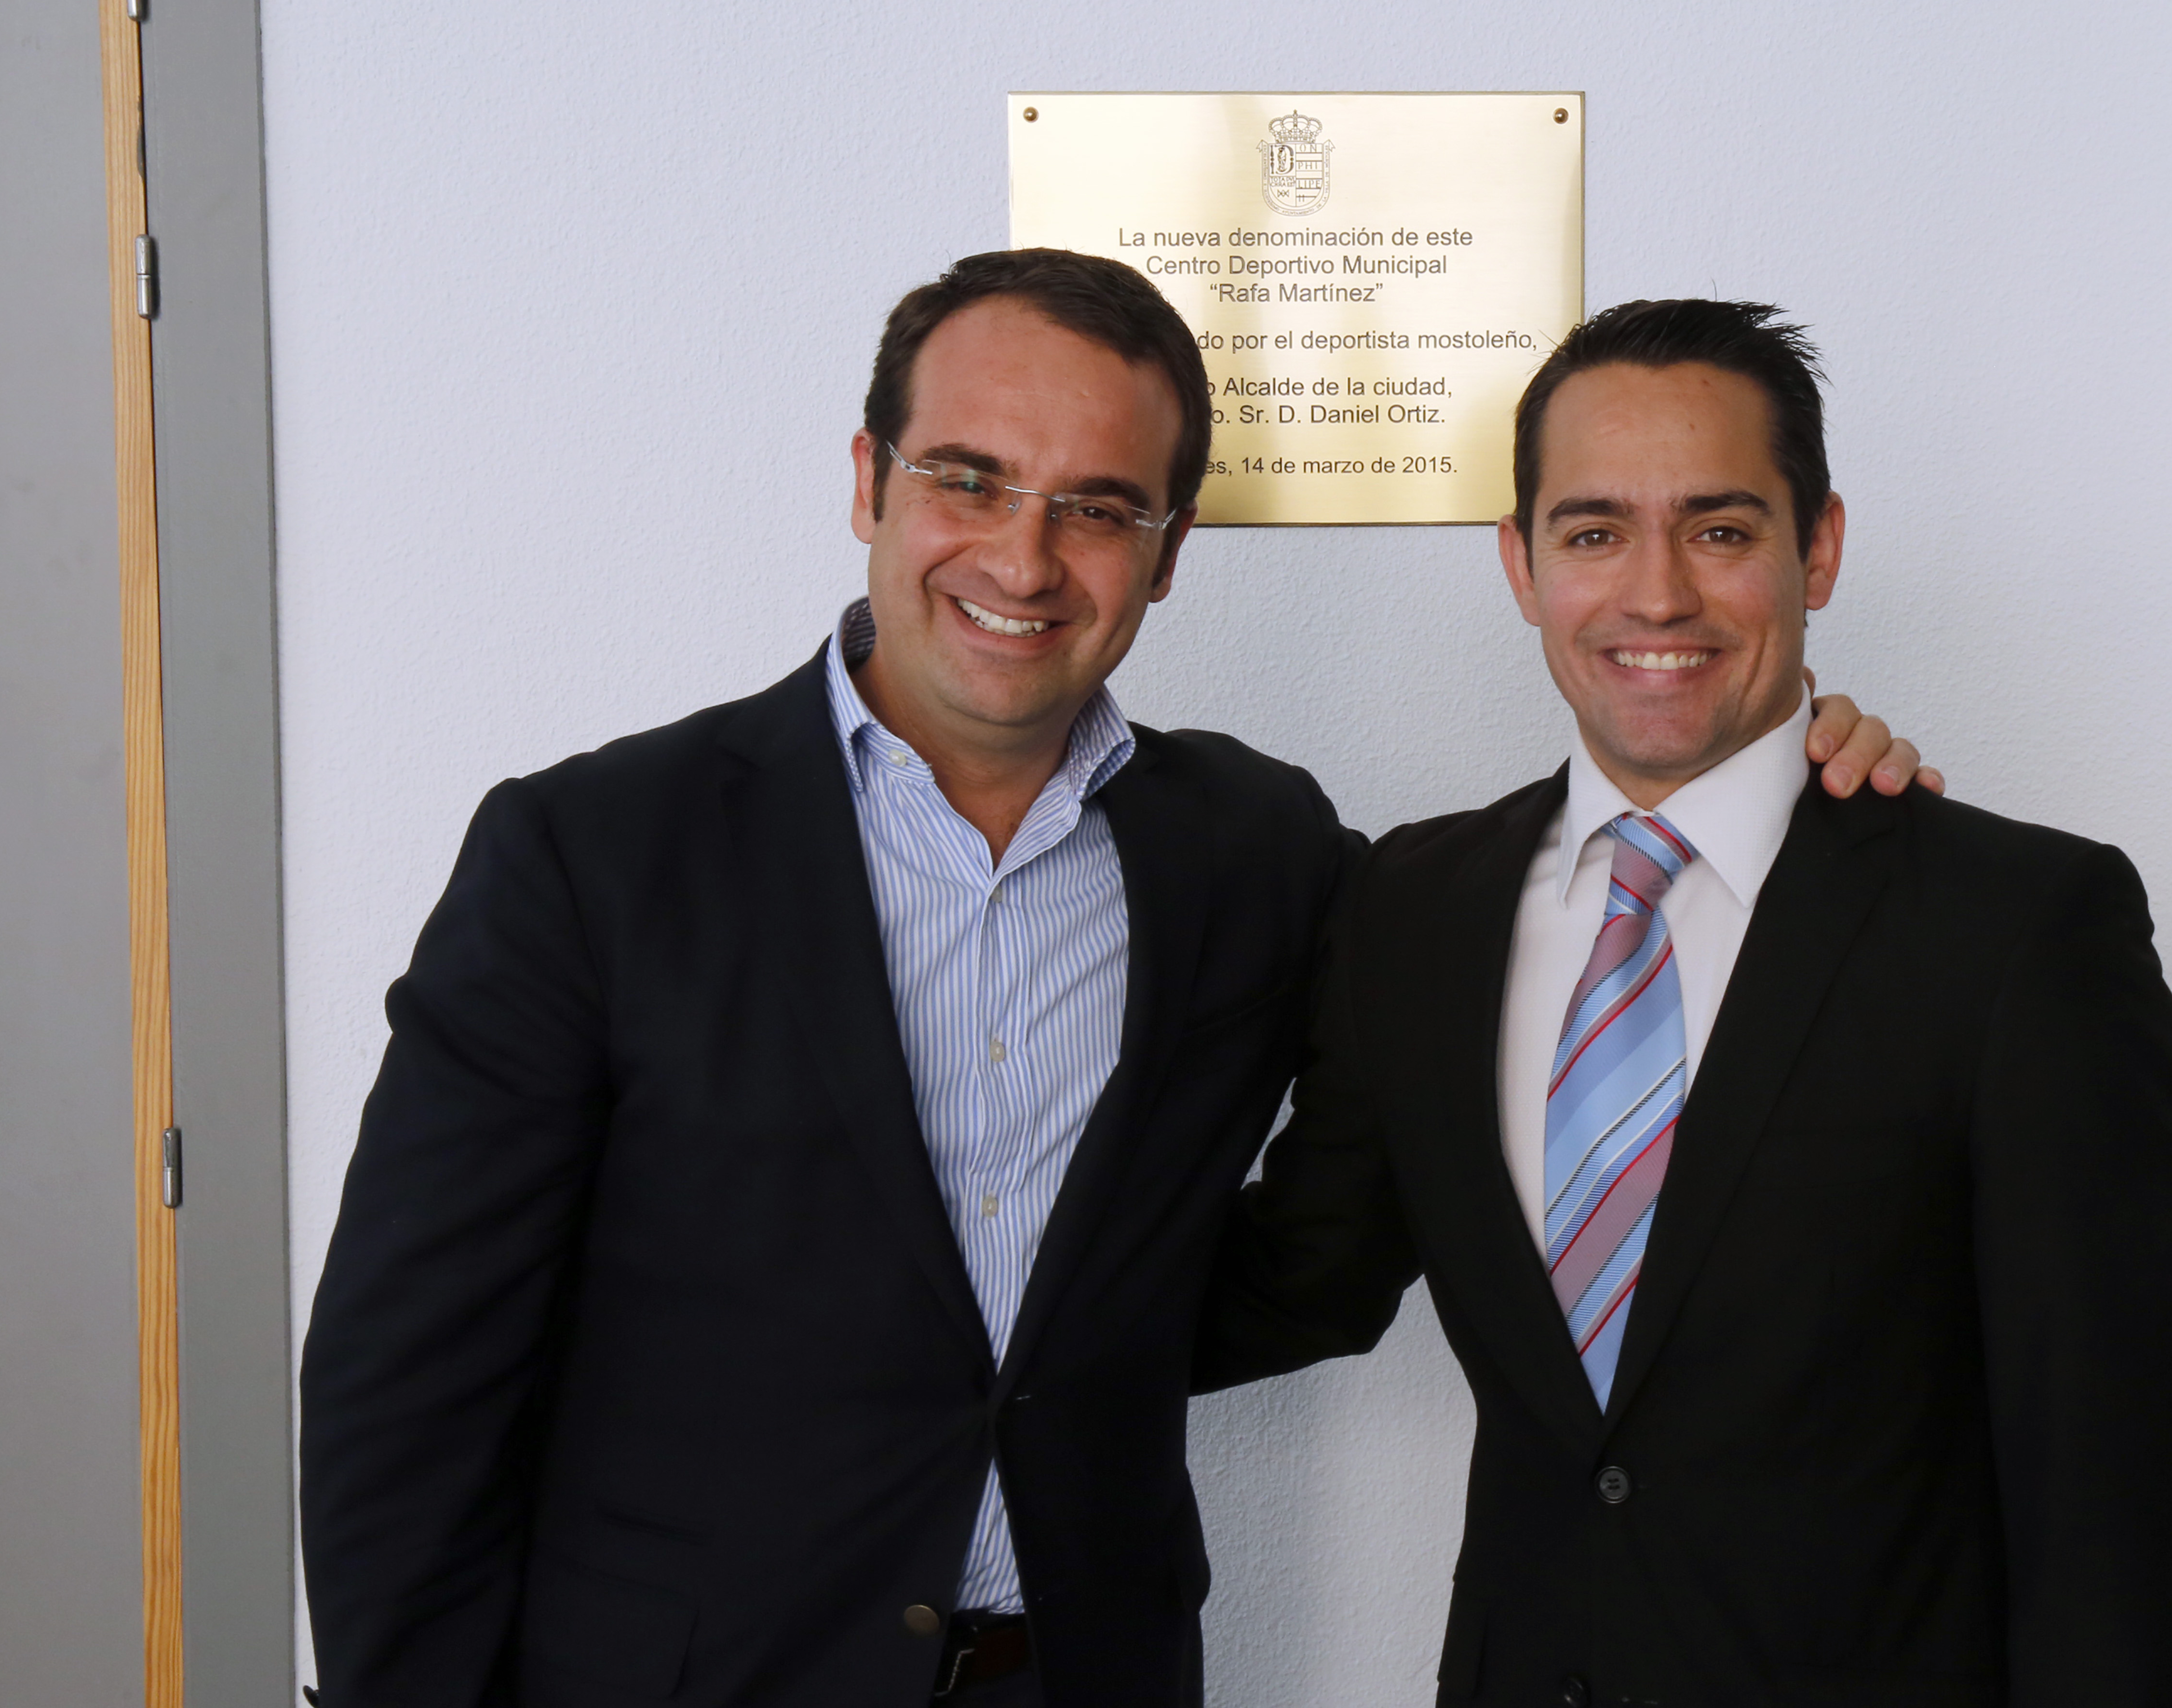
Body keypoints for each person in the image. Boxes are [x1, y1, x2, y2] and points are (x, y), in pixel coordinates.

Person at [297, 253, 1929, 1708]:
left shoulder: (1252, 851)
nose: (1024, 557)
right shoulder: (592, 854)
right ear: (868, 482)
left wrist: (1788, 777)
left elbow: (1358, 1182)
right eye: (967, 478)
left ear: (1167, 551)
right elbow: (411, 1374)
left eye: (1096, 506)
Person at [1199, 299, 2172, 1707]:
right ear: (1519, 564)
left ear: (1819, 549)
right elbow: (1301, 1277)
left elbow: (2123, 1486)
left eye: (1721, 529)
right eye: (1592, 532)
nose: (1656, 597)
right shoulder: (1414, 909)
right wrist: (939, 1329)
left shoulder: (2020, 929)